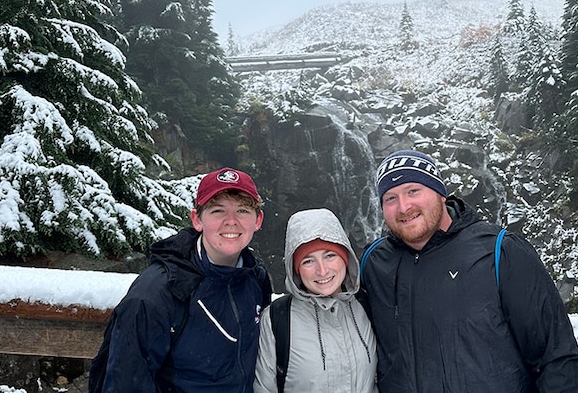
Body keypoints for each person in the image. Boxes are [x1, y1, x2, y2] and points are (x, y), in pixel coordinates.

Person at [361, 149, 578, 392]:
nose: (403, 207)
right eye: (390, 198)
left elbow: (557, 359)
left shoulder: (500, 252)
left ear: (440, 193)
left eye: (413, 190)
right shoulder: (374, 263)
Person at [91, 167, 273, 392]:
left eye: (243, 210)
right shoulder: (157, 293)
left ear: (258, 220)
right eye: (217, 211)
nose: (231, 221)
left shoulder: (255, 277)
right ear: (197, 219)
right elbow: (125, 383)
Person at [253, 208, 377, 393]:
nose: (322, 270)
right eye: (308, 261)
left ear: (346, 258)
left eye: (330, 255)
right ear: (296, 270)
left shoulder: (367, 305)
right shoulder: (276, 319)